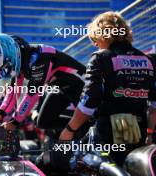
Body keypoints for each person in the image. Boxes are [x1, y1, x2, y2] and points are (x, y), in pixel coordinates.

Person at [59, 11, 156, 166]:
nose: (95, 44)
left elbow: (89, 102)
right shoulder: (149, 60)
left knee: (77, 164)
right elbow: (154, 105)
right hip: (139, 135)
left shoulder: (100, 58)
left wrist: (69, 130)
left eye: (95, 39)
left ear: (102, 35)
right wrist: (150, 133)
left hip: (107, 135)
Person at [0, 33, 87, 136]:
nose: (6, 72)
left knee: (91, 119)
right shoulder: (20, 60)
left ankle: (84, 132)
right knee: (43, 122)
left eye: (5, 68)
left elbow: (31, 95)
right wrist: (0, 115)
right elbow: (13, 92)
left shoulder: (40, 58)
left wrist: (15, 122)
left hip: (81, 87)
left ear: (12, 55)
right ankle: (79, 132)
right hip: (61, 89)